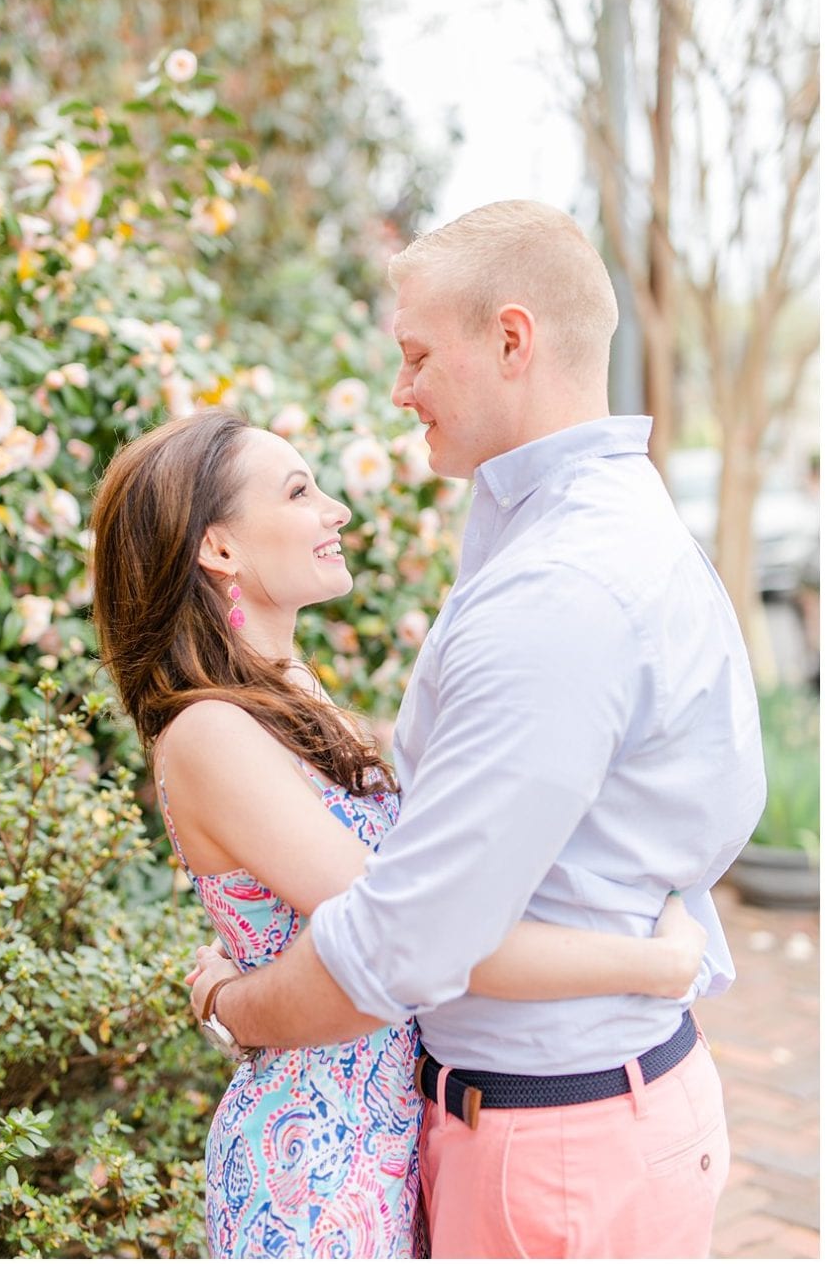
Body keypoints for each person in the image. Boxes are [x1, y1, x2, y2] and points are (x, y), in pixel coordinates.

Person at [190, 200, 765, 1257]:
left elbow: (408, 934)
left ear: (511, 340)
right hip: (566, 1123)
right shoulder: (571, 532)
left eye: (415, 354)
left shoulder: (561, 584)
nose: (399, 388)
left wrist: (231, 1004)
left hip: (552, 1153)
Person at [89, 409, 709, 1258]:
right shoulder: (209, 734)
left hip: (388, 1141)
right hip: (311, 1165)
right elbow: (413, 932)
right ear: (219, 548)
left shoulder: (294, 693)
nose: (337, 509)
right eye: (301, 491)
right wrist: (657, 964)